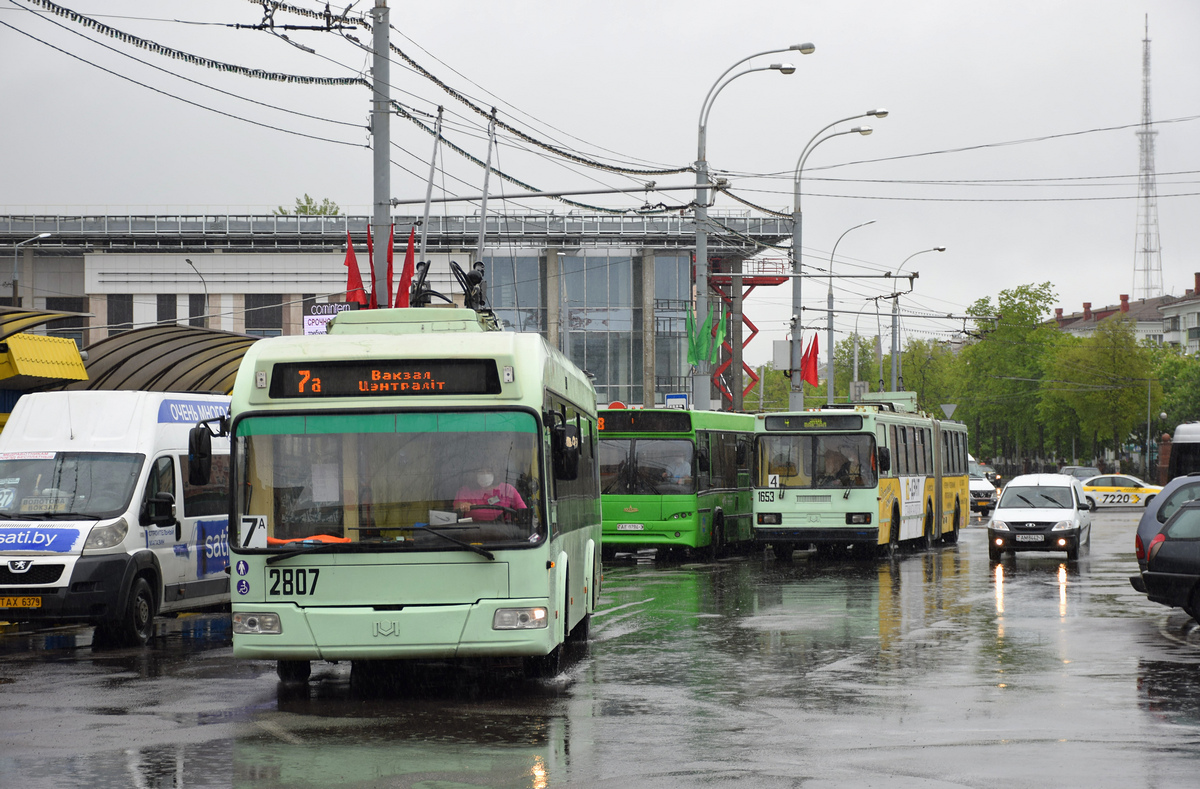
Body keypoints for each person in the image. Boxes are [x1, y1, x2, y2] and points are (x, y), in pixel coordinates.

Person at [453, 465, 527, 522]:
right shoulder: (466, 490)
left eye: (489, 471)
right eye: (481, 471)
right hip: (472, 534)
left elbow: (523, 512)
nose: (485, 475)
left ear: (495, 473)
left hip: (504, 534)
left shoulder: (507, 489)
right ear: (474, 474)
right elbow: (457, 506)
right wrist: (463, 505)